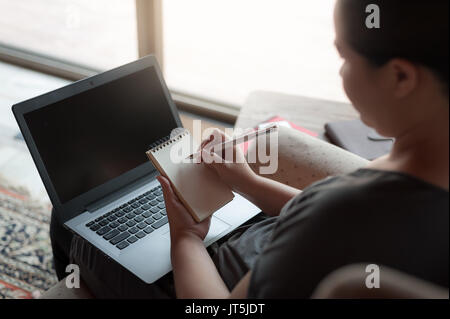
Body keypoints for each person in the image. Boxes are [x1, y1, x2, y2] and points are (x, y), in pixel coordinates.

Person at [50, 0, 448, 298]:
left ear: (400, 76)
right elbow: (336, 222)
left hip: (200, 282)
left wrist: (186, 239)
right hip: (265, 248)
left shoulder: (337, 216)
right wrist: (248, 182)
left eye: (345, 57)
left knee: (67, 223)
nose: (341, 72)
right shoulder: (412, 177)